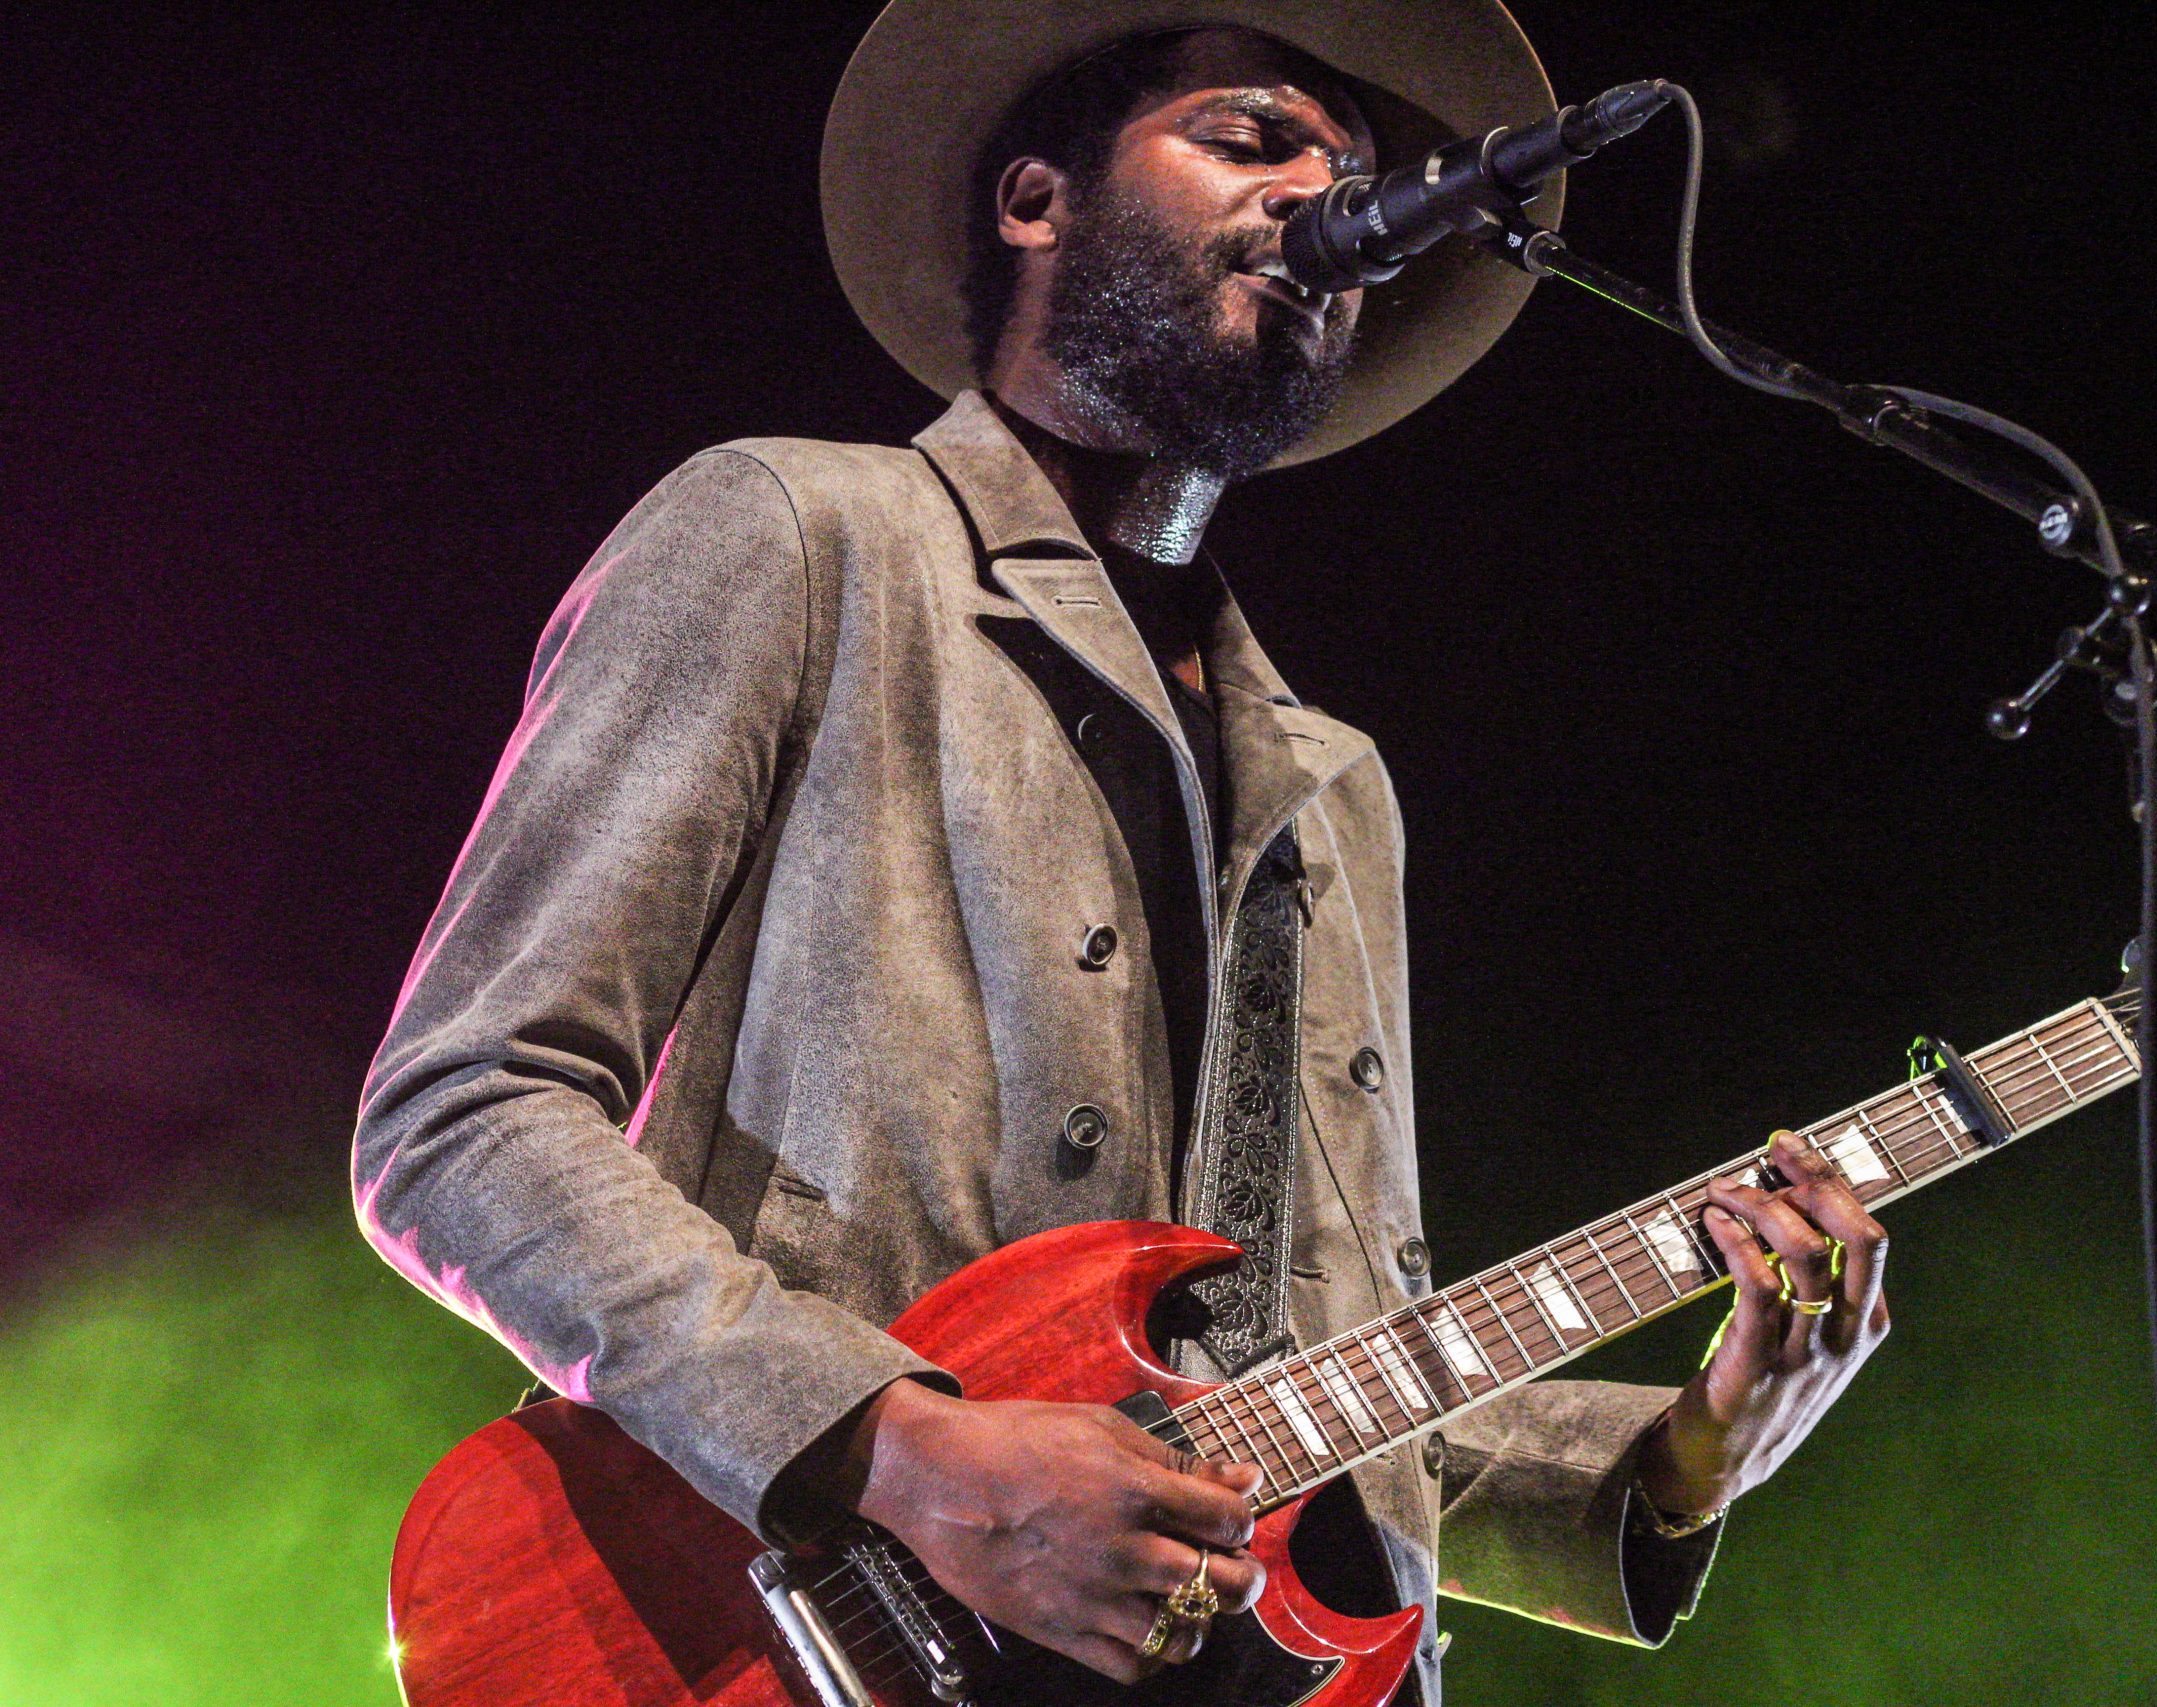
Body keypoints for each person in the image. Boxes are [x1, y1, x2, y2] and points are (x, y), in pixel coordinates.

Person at [353, 3, 1890, 1698]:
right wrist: (916, 1460)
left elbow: (1291, 1379)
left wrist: (1686, 1454)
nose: (1326, 196)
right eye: (1253, 141)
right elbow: (460, 1115)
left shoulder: (1332, 781)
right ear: (1037, 202)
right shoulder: (800, 536)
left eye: (1359, 175)